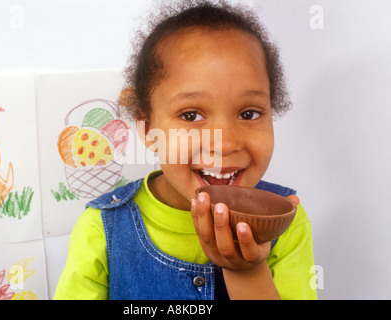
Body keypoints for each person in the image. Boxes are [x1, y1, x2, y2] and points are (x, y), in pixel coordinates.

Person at [54, 0, 317, 300]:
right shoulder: (101, 229)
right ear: (147, 128)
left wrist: (248, 273)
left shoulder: (286, 226)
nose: (225, 143)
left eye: (249, 113)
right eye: (191, 115)